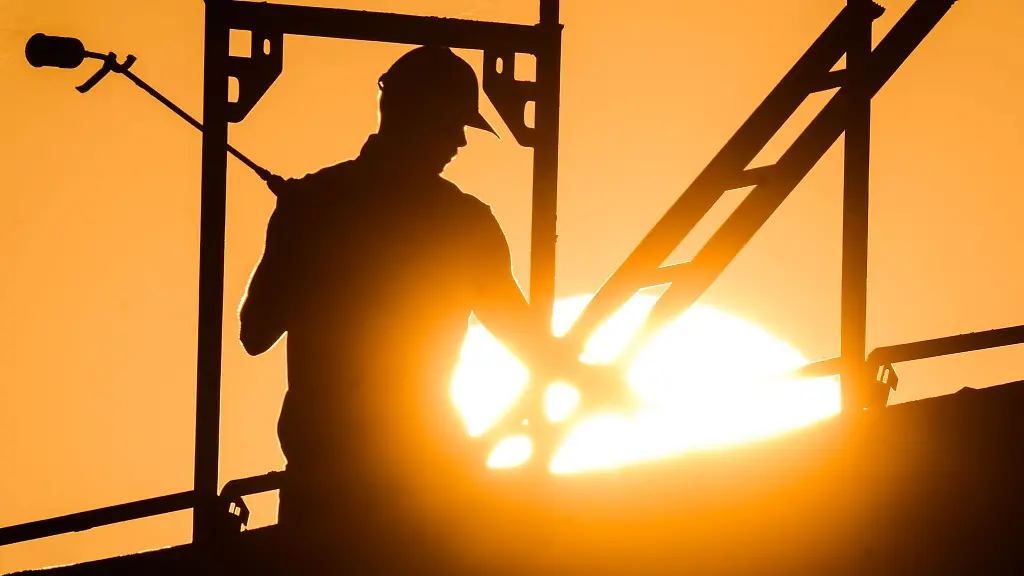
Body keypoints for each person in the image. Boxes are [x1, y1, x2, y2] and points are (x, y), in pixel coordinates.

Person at [238, 45, 618, 570]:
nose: (460, 141)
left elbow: (254, 330)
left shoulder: (318, 206)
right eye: (451, 125)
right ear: (413, 117)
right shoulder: (462, 225)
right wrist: (598, 384)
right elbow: (528, 342)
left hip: (332, 485)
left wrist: (295, 237)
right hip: (415, 485)